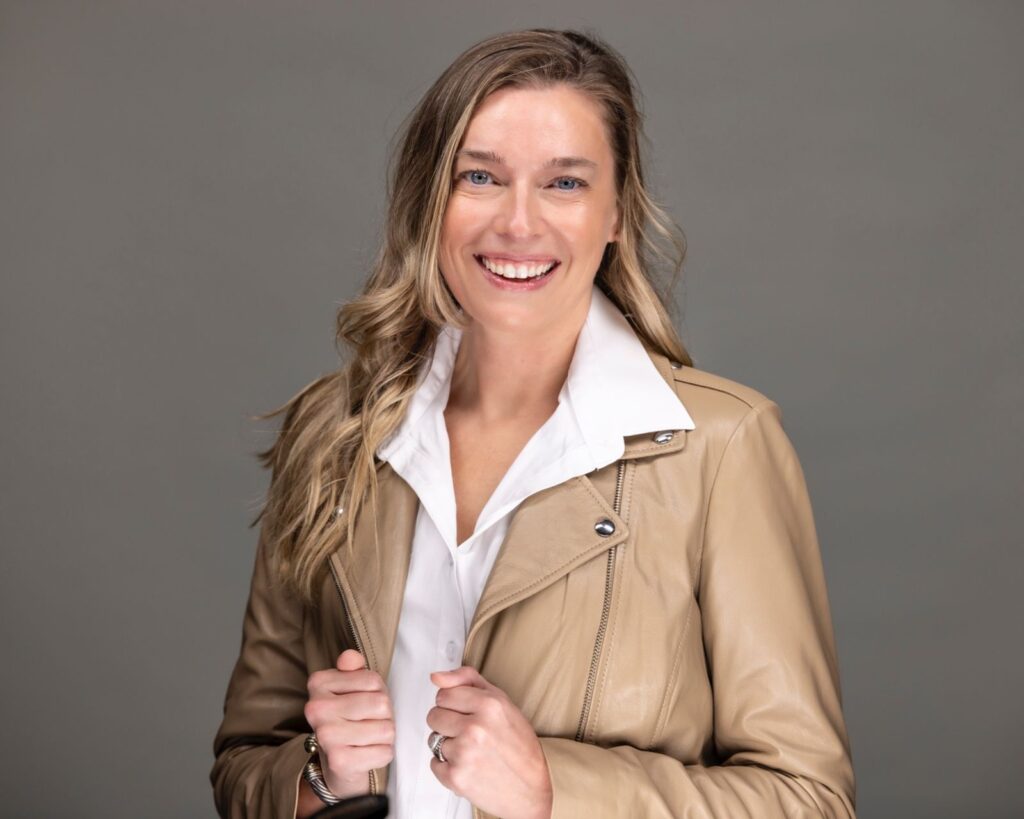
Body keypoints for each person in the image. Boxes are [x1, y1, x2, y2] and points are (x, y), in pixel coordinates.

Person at [211, 27, 857, 819]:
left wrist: (555, 789)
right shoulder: (335, 431)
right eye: (480, 176)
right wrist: (321, 779)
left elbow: (810, 799)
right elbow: (245, 761)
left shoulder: (722, 448)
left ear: (616, 213)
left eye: (565, 183)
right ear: (429, 202)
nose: (518, 224)